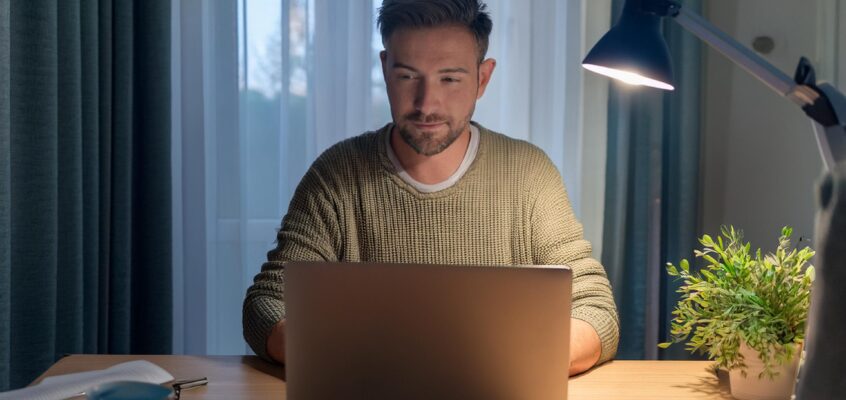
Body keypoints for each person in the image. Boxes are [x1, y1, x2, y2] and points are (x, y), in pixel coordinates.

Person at [242, 0, 619, 376]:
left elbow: (596, 310)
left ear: (482, 79)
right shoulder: (336, 175)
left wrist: (511, 361)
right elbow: (268, 304)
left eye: (450, 79)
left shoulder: (529, 174)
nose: (426, 104)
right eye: (408, 77)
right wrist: (353, 358)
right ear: (385, 68)